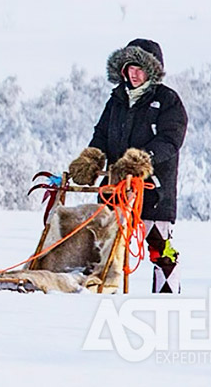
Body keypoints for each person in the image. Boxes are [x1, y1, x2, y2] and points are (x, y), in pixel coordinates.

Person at [66, 38, 188, 293]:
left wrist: (141, 161)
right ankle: (97, 289)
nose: (134, 74)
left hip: (154, 189)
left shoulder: (167, 101)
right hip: (114, 187)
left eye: (140, 68)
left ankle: (166, 297)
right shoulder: (117, 100)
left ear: (152, 71)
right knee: (100, 241)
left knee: (159, 247)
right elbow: (101, 135)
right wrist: (91, 159)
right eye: (130, 68)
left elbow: (170, 140)